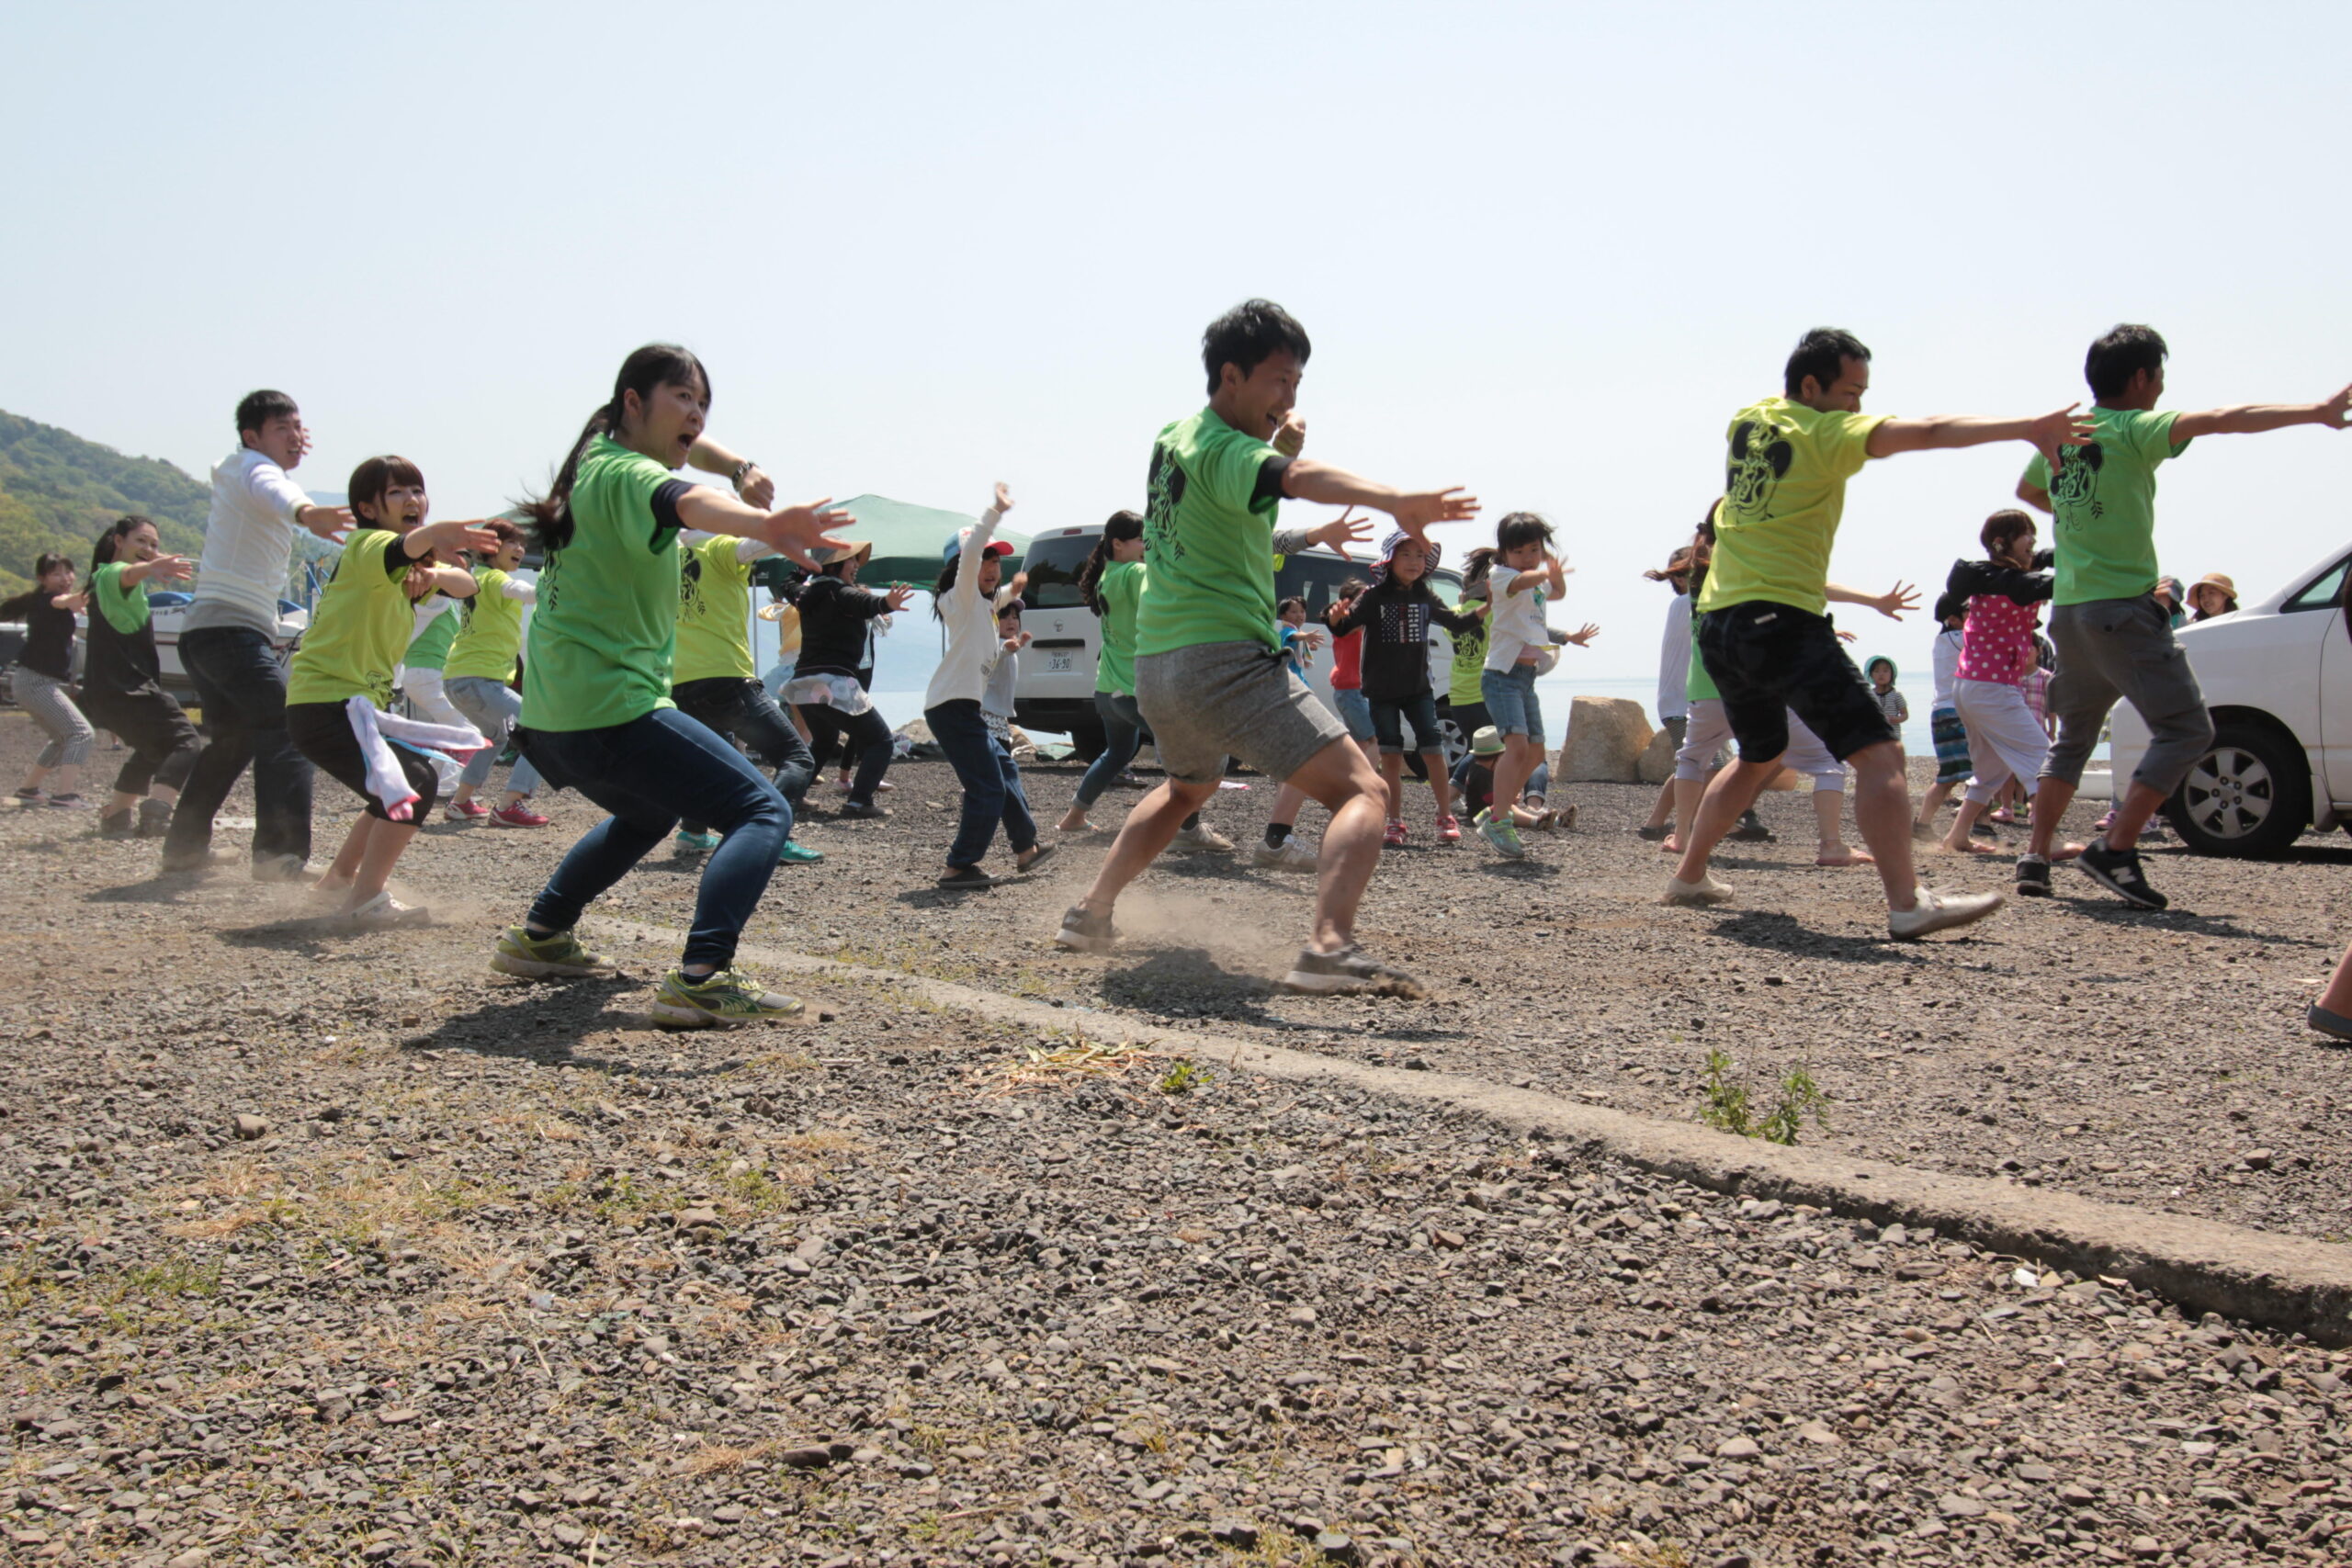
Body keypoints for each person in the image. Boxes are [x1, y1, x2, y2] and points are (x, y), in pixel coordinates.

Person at [1055, 298, 1478, 993]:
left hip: (1159, 668)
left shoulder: (1174, 440)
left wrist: (1279, 438)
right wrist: (1394, 498)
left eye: (1298, 384)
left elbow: (1251, 486)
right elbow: (1293, 479)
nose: (1288, 396)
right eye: (1278, 380)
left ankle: (1089, 912)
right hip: (1224, 658)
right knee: (1365, 790)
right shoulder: (1226, 447)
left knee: (1187, 787)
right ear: (1231, 376)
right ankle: (1328, 947)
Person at [1666, 325, 2093, 937]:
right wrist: (2025, 427)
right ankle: (1906, 901)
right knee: (1881, 752)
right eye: (1850, 392)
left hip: (1721, 623)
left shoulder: (1748, 419)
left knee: (1760, 753)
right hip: (1783, 618)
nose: (1858, 407)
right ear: (1811, 386)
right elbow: (1930, 431)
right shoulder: (1825, 433)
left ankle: (1689, 874)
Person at [489, 344, 847, 1027]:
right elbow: (683, 499)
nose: (695, 414)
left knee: (647, 813)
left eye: (702, 403)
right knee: (762, 810)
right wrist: (763, 524)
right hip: (611, 707)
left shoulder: (593, 457)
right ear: (633, 401)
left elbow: (695, 463)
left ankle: (540, 936)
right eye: (681, 397)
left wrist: (740, 465)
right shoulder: (628, 474)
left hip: (554, 717)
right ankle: (702, 977)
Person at [2018, 324, 2350, 910]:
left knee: (2071, 738)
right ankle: (2116, 850)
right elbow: (2226, 417)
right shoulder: (2135, 427)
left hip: (2069, 614)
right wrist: (2316, 411)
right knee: (2188, 729)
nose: (2163, 388)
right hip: (2121, 608)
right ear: (2143, 377)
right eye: (2160, 377)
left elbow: (2030, 491)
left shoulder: (2065, 436)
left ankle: (2035, 856)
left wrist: (2080, 519)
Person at [282, 456, 499, 924]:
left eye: (417, 490)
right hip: (327, 704)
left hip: (346, 705)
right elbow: (410, 544)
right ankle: (364, 900)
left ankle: (339, 879)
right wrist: (436, 535)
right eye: (398, 492)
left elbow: (465, 585)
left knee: (395, 786)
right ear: (367, 507)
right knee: (413, 783)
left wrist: (437, 570)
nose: (412, 500)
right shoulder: (367, 547)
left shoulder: (403, 569)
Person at [162, 390, 353, 877]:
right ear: (252, 436)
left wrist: (303, 506)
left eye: (298, 426)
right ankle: (278, 855)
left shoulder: (242, 475)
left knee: (233, 739)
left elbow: (274, 486)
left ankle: (183, 849)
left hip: (208, 633)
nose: (296, 436)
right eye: (282, 427)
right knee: (288, 726)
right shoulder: (247, 466)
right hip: (228, 632)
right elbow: (273, 486)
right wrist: (309, 513)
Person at [1054, 510, 1228, 851]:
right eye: (1141, 539)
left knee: (1118, 752)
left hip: (1108, 691)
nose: (1147, 545)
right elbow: (1172, 584)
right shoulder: (1134, 573)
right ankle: (1187, 830)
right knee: (1187, 748)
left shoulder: (1108, 576)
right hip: (1134, 691)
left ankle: (1074, 817)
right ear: (1119, 544)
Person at [1937, 509, 2086, 873]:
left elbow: (2043, 564)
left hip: (1972, 686)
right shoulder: (2001, 579)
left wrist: (2078, 548)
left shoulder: (1994, 578)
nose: (2032, 540)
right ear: (2002, 542)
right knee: (2042, 756)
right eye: (2025, 535)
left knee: (1990, 769)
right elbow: (2038, 584)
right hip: (1990, 688)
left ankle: (1956, 836)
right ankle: (2048, 840)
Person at [923, 486, 1056, 888]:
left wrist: (1015, 589)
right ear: (962, 566)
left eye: (996, 560)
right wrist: (994, 512)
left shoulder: (982, 604)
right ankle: (959, 866)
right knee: (987, 788)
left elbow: (998, 599)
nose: (992, 565)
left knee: (1004, 769)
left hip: (965, 708)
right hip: (951, 708)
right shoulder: (959, 597)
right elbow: (971, 559)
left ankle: (1026, 849)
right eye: (985, 558)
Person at [670, 525, 821, 863]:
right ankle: (768, 837)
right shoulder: (719, 547)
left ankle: (692, 833)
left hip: (677, 681)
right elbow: (759, 545)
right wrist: (798, 530)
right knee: (796, 758)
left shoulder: (671, 558)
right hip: (723, 678)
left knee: (705, 761)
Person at [1329, 532, 1485, 846]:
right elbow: (1346, 626)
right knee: (1391, 755)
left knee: (1433, 750)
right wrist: (1334, 619)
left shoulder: (1425, 595)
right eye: (1406, 555)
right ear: (1389, 560)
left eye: (1420, 556)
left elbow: (1455, 623)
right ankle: (1395, 821)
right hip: (1381, 690)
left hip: (1419, 689)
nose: (1415, 562)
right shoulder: (1373, 596)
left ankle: (1444, 816)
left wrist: (1485, 608)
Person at [1476, 513, 1599, 860]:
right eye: (1519, 552)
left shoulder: (1535, 581)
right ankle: (1500, 819)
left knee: (1534, 753)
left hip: (1526, 678)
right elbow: (1521, 582)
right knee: (1515, 748)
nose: (1528, 557)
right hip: (1502, 675)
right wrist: (1542, 572)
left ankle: (1498, 811)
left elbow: (1555, 592)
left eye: (1534, 549)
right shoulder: (1501, 576)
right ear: (1504, 554)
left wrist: (1555, 578)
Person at [72, 519, 203, 838]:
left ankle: (116, 816)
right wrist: (150, 567)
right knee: (187, 741)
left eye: (154, 545)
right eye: (141, 541)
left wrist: (150, 567)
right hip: (126, 688)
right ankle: (157, 815)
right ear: (119, 541)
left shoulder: (108, 582)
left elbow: (128, 578)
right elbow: (125, 574)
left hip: (106, 693)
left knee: (153, 749)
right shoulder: (112, 574)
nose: (148, 549)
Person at [786, 540, 908, 818]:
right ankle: (859, 802)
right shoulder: (838, 592)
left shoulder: (805, 594)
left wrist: (804, 570)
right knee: (880, 741)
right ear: (836, 564)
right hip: (833, 682)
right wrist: (886, 603)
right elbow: (863, 602)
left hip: (802, 683)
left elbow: (787, 584)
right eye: (851, 560)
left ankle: (792, 795)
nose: (856, 566)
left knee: (824, 739)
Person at [440, 520, 549, 825]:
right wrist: (556, 582)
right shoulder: (492, 578)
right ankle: (510, 805)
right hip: (477, 680)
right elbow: (525, 592)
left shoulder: (480, 577)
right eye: (510, 542)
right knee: (542, 728)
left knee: (495, 736)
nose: (519, 548)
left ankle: (460, 803)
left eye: (521, 543)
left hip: (458, 680)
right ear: (491, 547)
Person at [5, 553, 96, 807]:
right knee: (81, 733)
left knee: (61, 737)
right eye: (56, 573)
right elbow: (64, 600)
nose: (65, 578)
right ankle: (65, 795)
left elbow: (69, 601)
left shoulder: (40, 601)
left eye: (68, 572)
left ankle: (28, 789)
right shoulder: (50, 600)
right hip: (35, 682)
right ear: (42, 579)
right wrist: (78, 598)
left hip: (31, 682)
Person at [1635, 546, 1695, 839]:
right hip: (1678, 705)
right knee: (1701, 764)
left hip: (1690, 703)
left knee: (1693, 762)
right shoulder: (1686, 605)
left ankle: (1655, 822)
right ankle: (1705, 821)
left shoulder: (1693, 603)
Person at [1914, 591, 1972, 834]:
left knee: (1950, 775)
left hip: (1942, 712)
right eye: (1969, 611)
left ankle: (1923, 824)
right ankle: (1978, 826)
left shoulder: (1943, 641)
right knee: (1977, 772)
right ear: (1954, 618)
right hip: (1956, 713)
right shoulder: (1961, 638)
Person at [1453, 725, 1562, 832]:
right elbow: (1490, 798)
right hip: (1481, 813)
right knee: (1509, 808)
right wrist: (1511, 797)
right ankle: (1537, 822)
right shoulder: (1481, 772)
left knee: (1511, 809)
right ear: (1497, 757)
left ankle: (1556, 820)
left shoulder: (1482, 768)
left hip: (1489, 809)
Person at [1865, 657, 1907, 729]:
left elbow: (1905, 714)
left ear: (1892, 674)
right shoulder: (1869, 695)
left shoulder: (1896, 695)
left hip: (1893, 736)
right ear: (1871, 675)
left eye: (1885, 671)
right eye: (1876, 671)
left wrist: (1895, 719)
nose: (1881, 674)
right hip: (1875, 735)